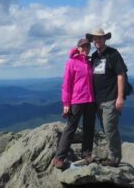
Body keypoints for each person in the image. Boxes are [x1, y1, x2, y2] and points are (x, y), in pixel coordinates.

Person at [86, 28, 128, 167]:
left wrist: (120, 97)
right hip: (98, 100)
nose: (97, 41)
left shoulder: (113, 53)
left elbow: (121, 74)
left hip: (111, 98)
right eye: (95, 39)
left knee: (110, 129)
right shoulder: (94, 56)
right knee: (106, 128)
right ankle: (111, 154)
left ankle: (114, 158)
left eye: (100, 38)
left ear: (105, 39)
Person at [53, 38, 96, 169]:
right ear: (78, 48)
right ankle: (59, 158)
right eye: (83, 47)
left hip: (90, 100)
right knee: (70, 128)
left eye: (88, 46)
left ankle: (87, 154)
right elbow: (66, 84)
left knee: (89, 128)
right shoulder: (71, 63)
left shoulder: (90, 62)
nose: (85, 49)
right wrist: (66, 103)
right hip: (76, 100)